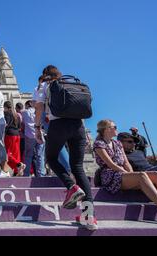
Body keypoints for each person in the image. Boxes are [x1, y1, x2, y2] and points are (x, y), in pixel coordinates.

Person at [34, 65, 96, 230]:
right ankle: (89, 217)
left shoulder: (44, 86)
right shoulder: (70, 84)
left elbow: (39, 107)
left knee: (51, 159)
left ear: (45, 75)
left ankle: (71, 186)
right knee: (78, 168)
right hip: (78, 127)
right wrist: (86, 133)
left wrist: (37, 128)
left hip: (58, 125)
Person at [94, 120, 157, 213]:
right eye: (114, 127)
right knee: (141, 175)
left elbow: (126, 162)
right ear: (106, 129)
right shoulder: (99, 144)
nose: (116, 128)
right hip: (110, 175)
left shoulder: (118, 143)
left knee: (156, 174)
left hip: (121, 173)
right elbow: (110, 164)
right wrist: (128, 173)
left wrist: (131, 174)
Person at [22, 100, 45, 177]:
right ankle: (41, 174)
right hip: (40, 135)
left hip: (30, 136)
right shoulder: (39, 111)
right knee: (40, 156)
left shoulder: (24, 112)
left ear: (28, 104)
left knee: (28, 156)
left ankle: (26, 174)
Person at [3, 101, 25, 176]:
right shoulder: (16, 115)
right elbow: (19, 127)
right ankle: (16, 171)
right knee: (16, 154)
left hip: (10, 135)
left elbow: (6, 124)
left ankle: (19, 164)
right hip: (17, 135)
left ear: (5, 107)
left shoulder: (6, 114)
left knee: (8, 154)